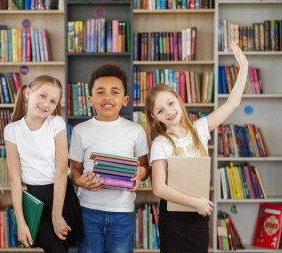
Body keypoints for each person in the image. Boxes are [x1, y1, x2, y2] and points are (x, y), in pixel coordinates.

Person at [145, 42, 249, 252]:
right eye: (161, 110)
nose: (169, 111)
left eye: (171, 103)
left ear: (179, 100)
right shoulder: (161, 143)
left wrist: (244, 67)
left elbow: (232, 104)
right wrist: (196, 203)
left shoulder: (200, 129)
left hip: (198, 214)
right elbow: (159, 188)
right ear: (155, 117)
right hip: (175, 217)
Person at [69, 64, 150, 253]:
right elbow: (74, 169)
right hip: (88, 210)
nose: (107, 97)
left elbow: (145, 167)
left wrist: (140, 173)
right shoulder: (80, 131)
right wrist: (80, 181)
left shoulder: (135, 131)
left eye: (115, 92)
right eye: (100, 92)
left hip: (122, 212)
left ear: (125, 100)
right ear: (90, 99)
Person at [4, 75, 83, 253]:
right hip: (35, 199)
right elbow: (15, 180)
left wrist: (56, 215)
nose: (46, 103)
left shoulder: (56, 123)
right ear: (28, 93)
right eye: (42, 96)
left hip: (61, 195)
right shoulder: (12, 130)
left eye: (53, 101)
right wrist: (21, 221)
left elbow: (62, 170)